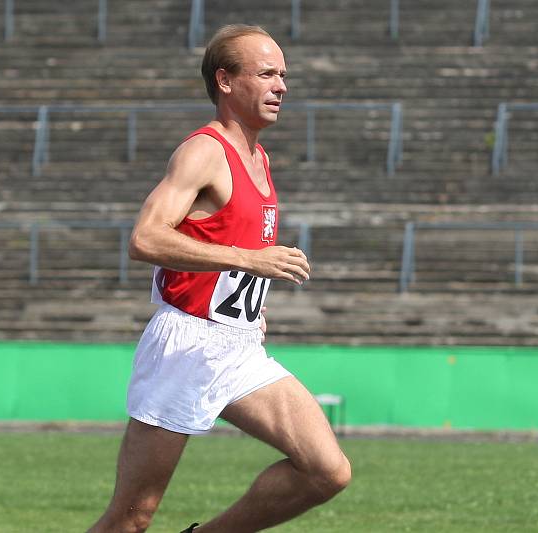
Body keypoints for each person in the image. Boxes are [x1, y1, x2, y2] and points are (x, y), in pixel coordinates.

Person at [87, 24, 351, 533]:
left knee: (326, 471)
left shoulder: (260, 156)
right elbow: (144, 238)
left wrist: (252, 301)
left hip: (238, 347)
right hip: (184, 346)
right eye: (267, 73)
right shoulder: (204, 152)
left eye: (284, 75)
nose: (282, 86)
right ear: (226, 81)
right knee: (130, 519)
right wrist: (250, 262)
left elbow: (231, 248)